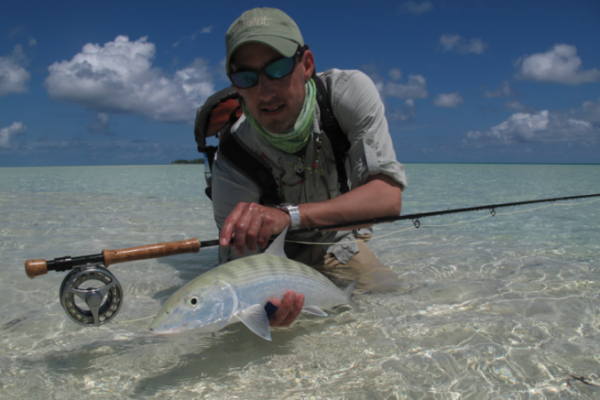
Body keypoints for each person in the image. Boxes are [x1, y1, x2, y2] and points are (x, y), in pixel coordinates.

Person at [211, 8, 407, 328]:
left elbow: (388, 198)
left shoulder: (347, 94)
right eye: (247, 77)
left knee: (395, 304)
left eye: (278, 68)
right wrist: (263, 310)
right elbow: (240, 261)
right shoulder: (233, 155)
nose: (265, 91)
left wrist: (289, 216)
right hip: (271, 265)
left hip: (338, 244)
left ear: (306, 65)